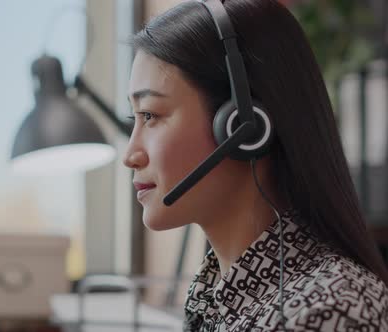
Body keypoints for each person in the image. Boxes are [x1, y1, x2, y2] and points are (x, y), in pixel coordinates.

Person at [121, 0, 388, 331]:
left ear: (244, 126)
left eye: (151, 115)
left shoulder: (331, 310)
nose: (130, 154)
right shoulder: (218, 298)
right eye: (134, 118)